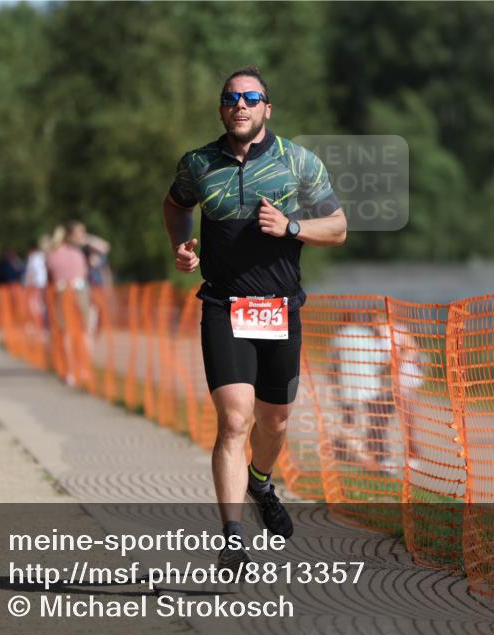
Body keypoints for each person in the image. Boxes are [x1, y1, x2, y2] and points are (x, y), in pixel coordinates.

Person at [163, 66, 346, 570]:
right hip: (224, 305)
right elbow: (175, 205)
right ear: (222, 108)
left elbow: (338, 228)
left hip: (280, 308)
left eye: (250, 97)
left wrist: (291, 226)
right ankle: (231, 538)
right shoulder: (199, 163)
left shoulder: (297, 162)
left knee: (275, 419)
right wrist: (180, 246)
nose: (239, 105)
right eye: (230, 98)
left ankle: (262, 482)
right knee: (234, 419)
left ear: (267, 106)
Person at [329, 313, 425, 475]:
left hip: (405, 383)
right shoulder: (371, 336)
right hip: (384, 387)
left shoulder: (398, 330)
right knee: (379, 424)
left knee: (409, 423)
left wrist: (396, 360)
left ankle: (411, 455)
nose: (374, 324)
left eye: (377, 320)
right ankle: (378, 458)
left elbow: (412, 351)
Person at [45, 222, 93, 387]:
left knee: (65, 333)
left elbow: (50, 276)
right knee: (84, 331)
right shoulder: (77, 254)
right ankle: (84, 369)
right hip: (80, 292)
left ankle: (70, 372)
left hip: (62, 293)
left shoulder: (51, 256)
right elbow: (85, 273)